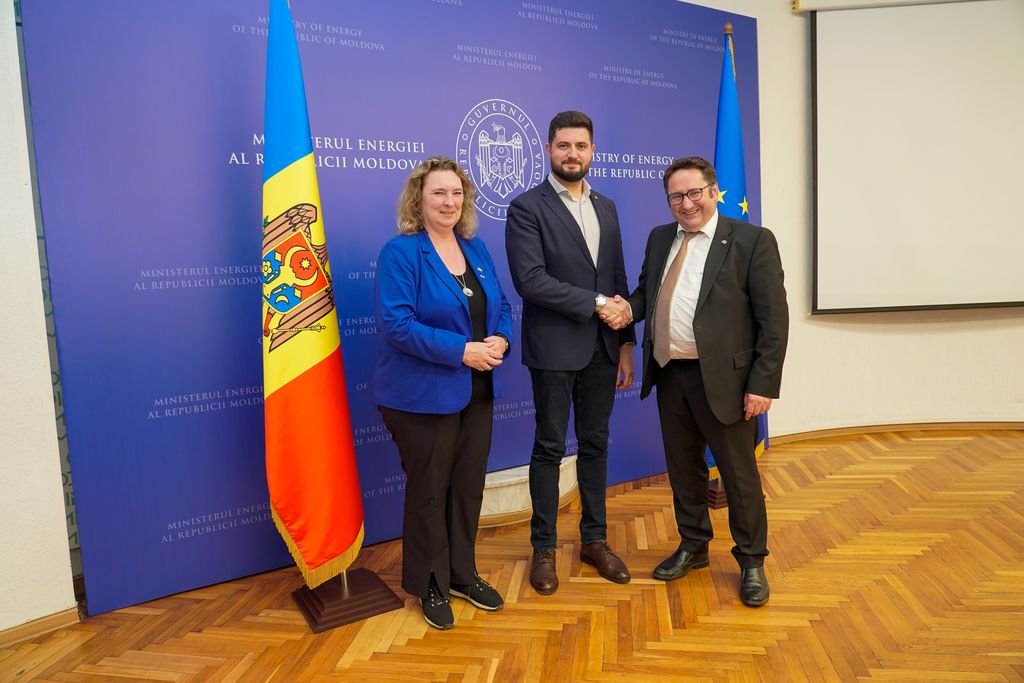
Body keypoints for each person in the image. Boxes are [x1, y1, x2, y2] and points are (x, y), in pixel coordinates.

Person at [618, 156, 788, 607]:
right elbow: (647, 294)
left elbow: (774, 320)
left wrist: (763, 384)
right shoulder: (660, 239)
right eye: (677, 196)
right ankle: (693, 546)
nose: (687, 203)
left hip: (729, 382)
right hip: (671, 373)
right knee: (684, 471)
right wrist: (625, 311)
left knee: (739, 476)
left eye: (695, 192)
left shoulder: (752, 241)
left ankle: (752, 561)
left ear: (713, 192)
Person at [374, 156, 513, 629]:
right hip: (420, 396)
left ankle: (461, 572)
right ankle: (429, 582)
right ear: (419, 199)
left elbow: (503, 305)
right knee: (430, 491)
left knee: (467, 487)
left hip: (477, 390)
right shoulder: (402, 252)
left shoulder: (475, 249)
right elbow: (397, 324)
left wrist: (501, 339)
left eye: (456, 193)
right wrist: (463, 351)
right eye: (439, 193)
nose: (449, 202)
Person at [505, 111, 636, 596]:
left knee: (597, 445)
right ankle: (543, 549)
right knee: (549, 448)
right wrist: (599, 304)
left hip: (604, 350)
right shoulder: (526, 207)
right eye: (563, 145)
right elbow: (531, 281)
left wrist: (626, 343)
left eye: (581, 146)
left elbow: (618, 280)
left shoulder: (607, 206)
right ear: (548, 149)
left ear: (593, 151)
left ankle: (594, 541)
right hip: (555, 350)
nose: (572, 154)